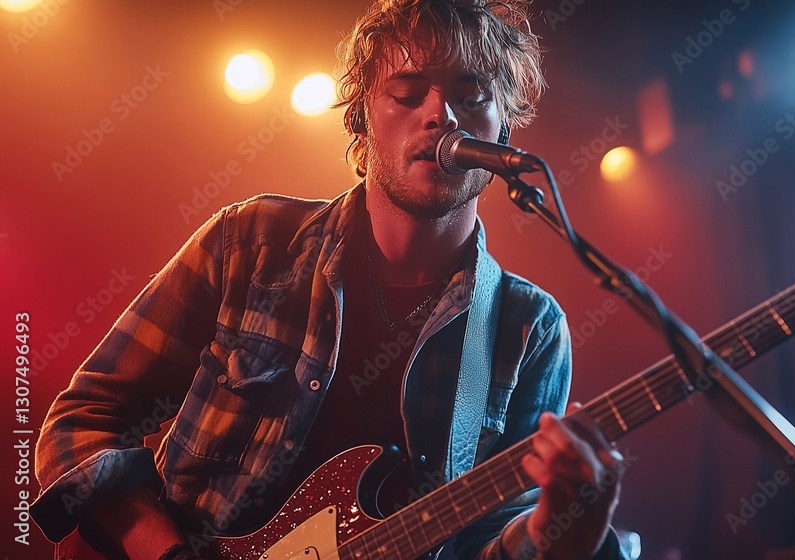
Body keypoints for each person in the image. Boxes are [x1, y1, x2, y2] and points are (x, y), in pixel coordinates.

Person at [30, 0, 626, 558]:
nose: (440, 115)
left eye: (471, 97)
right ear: (361, 118)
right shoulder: (252, 242)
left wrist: (566, 529)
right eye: (407, 92)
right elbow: (83, 420)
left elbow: (491, 545)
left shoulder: (527, 328)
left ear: (503, 131)